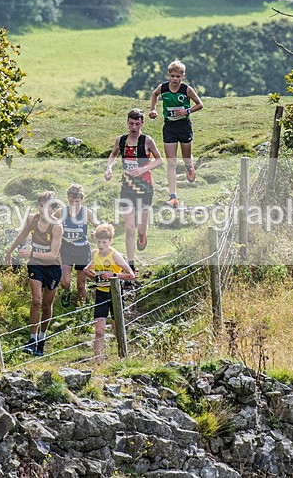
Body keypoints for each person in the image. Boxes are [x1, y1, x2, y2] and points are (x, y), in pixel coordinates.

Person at [104, 108, 163, 276]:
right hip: (127, 187)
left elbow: (159, 160)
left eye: (137, 124)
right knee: (129, 227)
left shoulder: (147, 141)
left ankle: (142, 234)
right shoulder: (121, 140)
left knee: (140, 226)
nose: (134, 127)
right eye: (131, 123)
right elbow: (113, 155)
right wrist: (109, 169)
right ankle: (131, 263)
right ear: (127, 122)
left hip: (145, 187)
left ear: (142, 123)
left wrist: (144, 168)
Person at [5, 191, 63, 356]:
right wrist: (10, 251)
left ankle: (42, 338)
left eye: (48, 207)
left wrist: (31, 254)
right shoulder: (32, 219)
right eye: (41, 206)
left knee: (46, 305)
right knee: (36, 301)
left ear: (53, 209)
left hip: (52, 267)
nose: (44, 210)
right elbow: (23, 234)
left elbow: (53, 254)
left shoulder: (57, 227)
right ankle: (32, 339)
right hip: (35, 265)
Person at [148, 60, 204, 207]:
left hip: (184, 126)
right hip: (170, 127)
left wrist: (187, 111)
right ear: (168, 75)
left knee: (186, 157)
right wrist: (153, 109)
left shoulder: (187, 90)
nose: (175, 79)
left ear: (183, 76)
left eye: (178, 76)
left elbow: (200, 104)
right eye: (172, 76)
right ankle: (173, 196)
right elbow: (154, 94)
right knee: (171, 162)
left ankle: (188, 166)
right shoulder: (163, 88)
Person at [83, 224, 135, 365]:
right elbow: (86, 270)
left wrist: (114, 275)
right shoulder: (95, 254)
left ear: (110, 241)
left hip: (115, 295)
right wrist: (94, 277)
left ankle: (123, 357)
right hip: (101, 294)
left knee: (116, 329)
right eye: (99, 242)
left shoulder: (115, 255)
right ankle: (97, 363)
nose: (101, 245)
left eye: (104, 242)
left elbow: (131, 275)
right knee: (99, 331)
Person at [59, 184, 100, 308]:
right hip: (66, 249)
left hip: (82, 250)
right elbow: (49, 221)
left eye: (77, 201)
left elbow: (98, 226)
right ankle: (67, 291)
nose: (74, 204)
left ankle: (80, 309)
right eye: (71, 201)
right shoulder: (62, 211)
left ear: (82, 199)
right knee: (65, 282)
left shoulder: (86, 212)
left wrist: (95, 233)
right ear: (67, 199)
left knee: (81, 284)